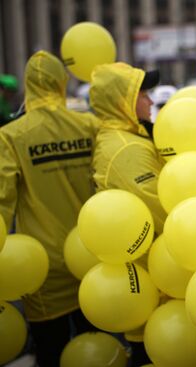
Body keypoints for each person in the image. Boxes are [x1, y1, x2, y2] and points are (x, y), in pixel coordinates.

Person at [0, 50, 100, 366]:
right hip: (91, 257)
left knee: (50, 353)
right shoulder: (88, 125)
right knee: (97, 350)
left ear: (28, 85)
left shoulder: (12, 135)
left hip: (42, 269)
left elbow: (3, 202)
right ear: (62, 82)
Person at [89, 63, 166, 366]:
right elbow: (160, 211)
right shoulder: (125, 150)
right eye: (142, 93)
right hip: (152, 281)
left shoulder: (125, 138)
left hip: (147, 281)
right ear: (122, 101)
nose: (150, 100)